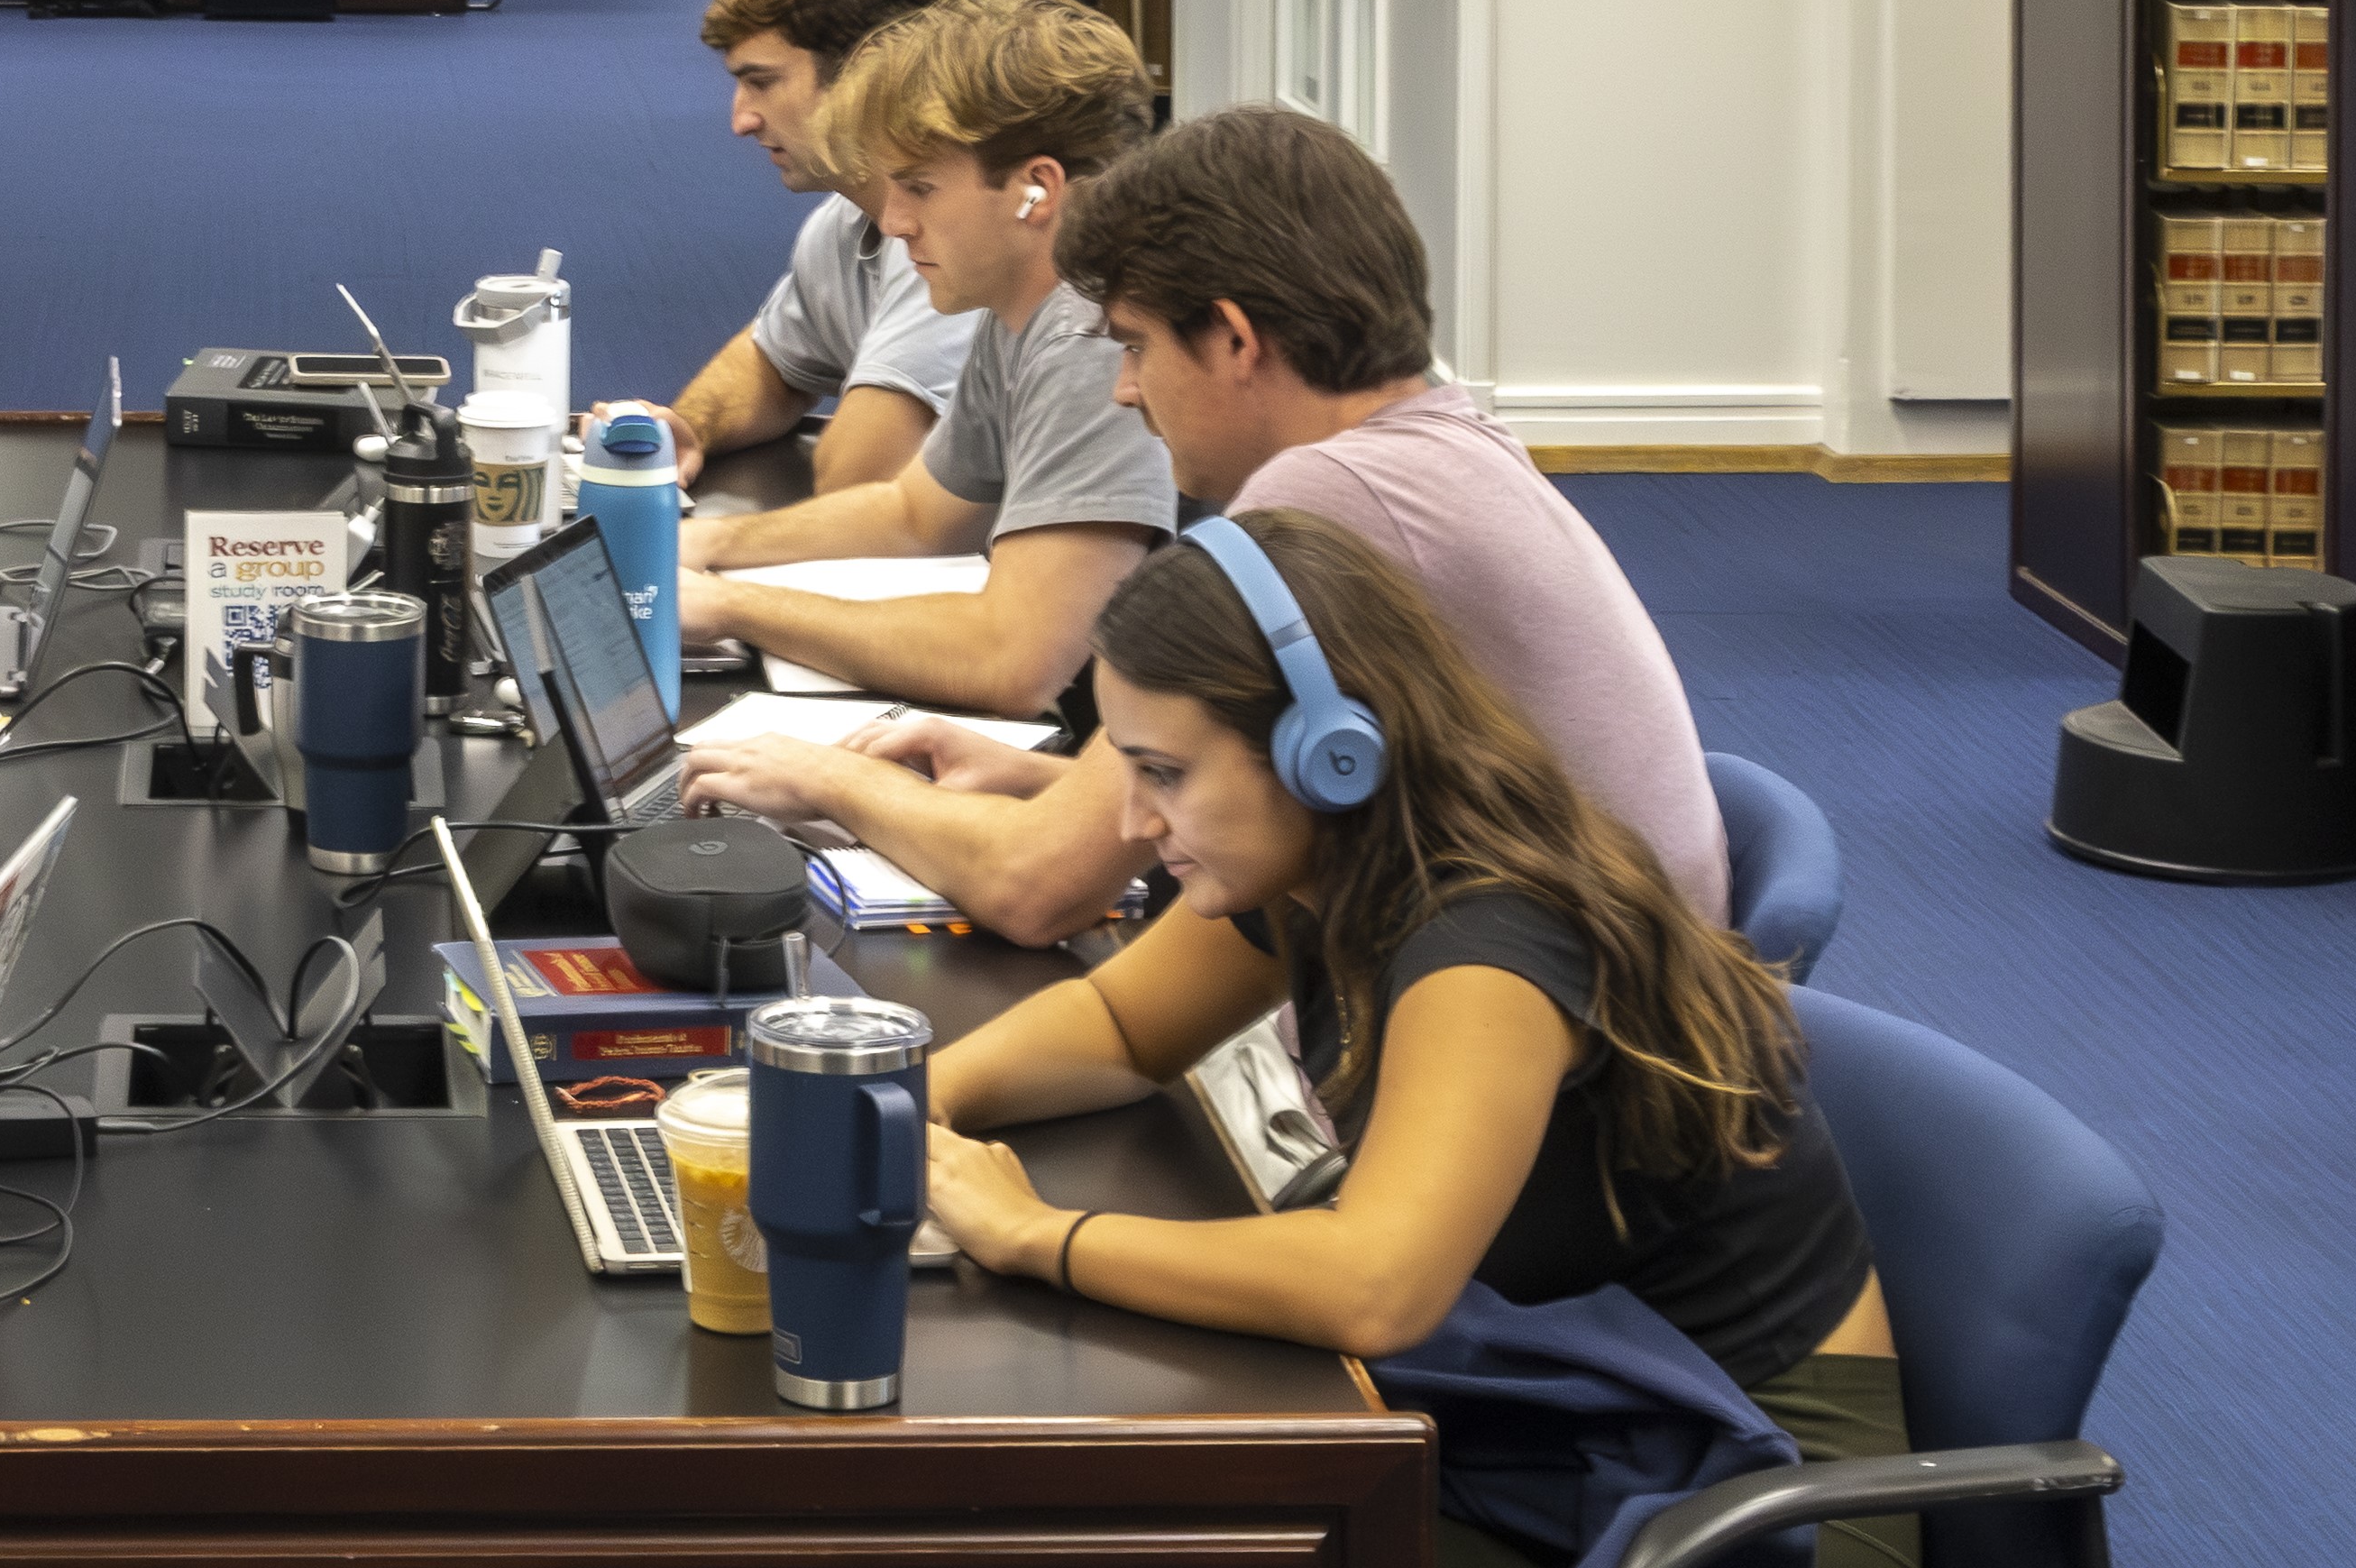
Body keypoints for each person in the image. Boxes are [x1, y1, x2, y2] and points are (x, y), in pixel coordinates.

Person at [906, 511, 1911, 1568]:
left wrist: (1033, 1234)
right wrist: (894, 1099)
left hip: (1751, 1540)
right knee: (1091, 1536)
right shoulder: (1336, 861)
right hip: (1573, 1426)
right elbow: (1121, 1025)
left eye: (1162, 773)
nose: (1127, 823)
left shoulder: (1489, 943)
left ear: (1326, 755)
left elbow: (1373, 1285)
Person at [676, 103, 1726, 943]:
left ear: (1231, 339)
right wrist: (1056, 780)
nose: (1125, 390)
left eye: (1135, 346)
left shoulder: (1319, 502)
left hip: (1558, 1044)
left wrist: (832, 779)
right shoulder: (1441, 442)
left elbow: (1033, 886)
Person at [667, 0, 1183, 718]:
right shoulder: (1020, 308)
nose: (895, 222)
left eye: (919, 188)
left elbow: (1014, 661)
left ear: (1035, 190)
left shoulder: (1091, 336)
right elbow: (914, 513)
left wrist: (731, 607)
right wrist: (705, 545)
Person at [643, 0, 980, 492]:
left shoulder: (958, 234)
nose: (741, 120)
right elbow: (773, 363)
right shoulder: (845, 223)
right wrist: (690, 429)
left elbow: (857, 478)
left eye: (762, 82)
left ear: (863, 74)